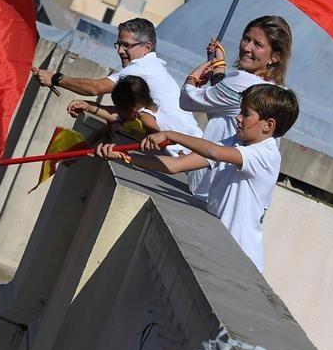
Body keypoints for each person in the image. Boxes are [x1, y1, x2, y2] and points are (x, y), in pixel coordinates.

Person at [97, 84, 298, 272]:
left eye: (246, 114)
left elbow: (215, 153)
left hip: (239, 259)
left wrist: (171, 135)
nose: (237, 118)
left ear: (268, 125)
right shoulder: (237, 142)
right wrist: (125, 156)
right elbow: (176, 165)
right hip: (218, 247)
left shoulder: (266, 154)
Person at [180, 15, 293, 201]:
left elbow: (187, 100)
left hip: (208, 190)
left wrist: (194, 77)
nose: (247, 48)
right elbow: (225, 104)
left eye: (258, 44)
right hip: (237, 196)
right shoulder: (278, 93)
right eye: (246, 39)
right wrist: (219, 67)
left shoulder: (241, 81)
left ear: (275, 56)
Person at [32, 18, 196, 131]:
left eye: (126, 46)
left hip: (180, 151)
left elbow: (95, 88)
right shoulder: (152, 67)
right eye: (118, 44)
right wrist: (89, 106)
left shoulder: (141, 67)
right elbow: (126, 115)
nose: (119, 51)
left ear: (147, 47)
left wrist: (55, 78)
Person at [68, 75, 201, 155]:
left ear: (134, 109)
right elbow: (113, 118)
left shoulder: (146, 118)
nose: (117, 112)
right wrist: (87, 106)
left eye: (120, 108)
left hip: (186, 153)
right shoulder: (141, 113)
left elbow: (160, 138)